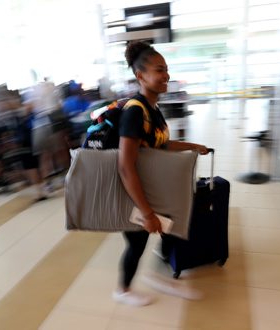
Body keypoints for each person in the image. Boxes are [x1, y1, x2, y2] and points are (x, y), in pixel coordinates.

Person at [113, 41, 209, 307]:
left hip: (152, 190)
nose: (166, 75)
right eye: (159, 70)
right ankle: (123, 290)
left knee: (171, 229)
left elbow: (160, 144)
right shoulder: (135, 110)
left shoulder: (152, 109)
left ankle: (160, 275)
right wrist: (146, 212)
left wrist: (192, 146)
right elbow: (125, 165)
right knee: (137, 241)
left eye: (167, 69)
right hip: (133, 193)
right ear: (140, 75)